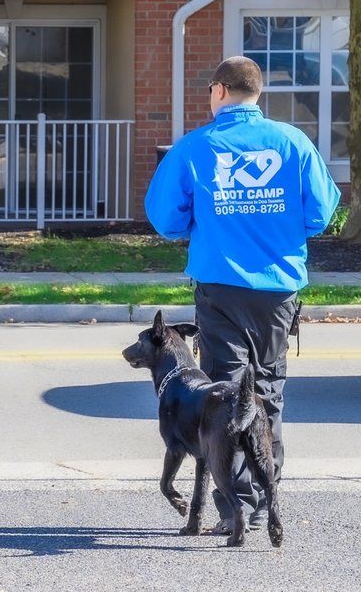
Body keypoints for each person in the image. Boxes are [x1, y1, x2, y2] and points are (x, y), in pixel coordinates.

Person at [145, 56, 341, 533]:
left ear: (218, 91)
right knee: (267, 388)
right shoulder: (293, 143)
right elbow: (321, 212)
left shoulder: (195, 148)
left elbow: (166, 219)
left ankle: (233, 504)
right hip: (278, 289)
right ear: (258, 94)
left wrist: (206, 222)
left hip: (219, 287)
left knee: (226, 392)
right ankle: (264, 497)